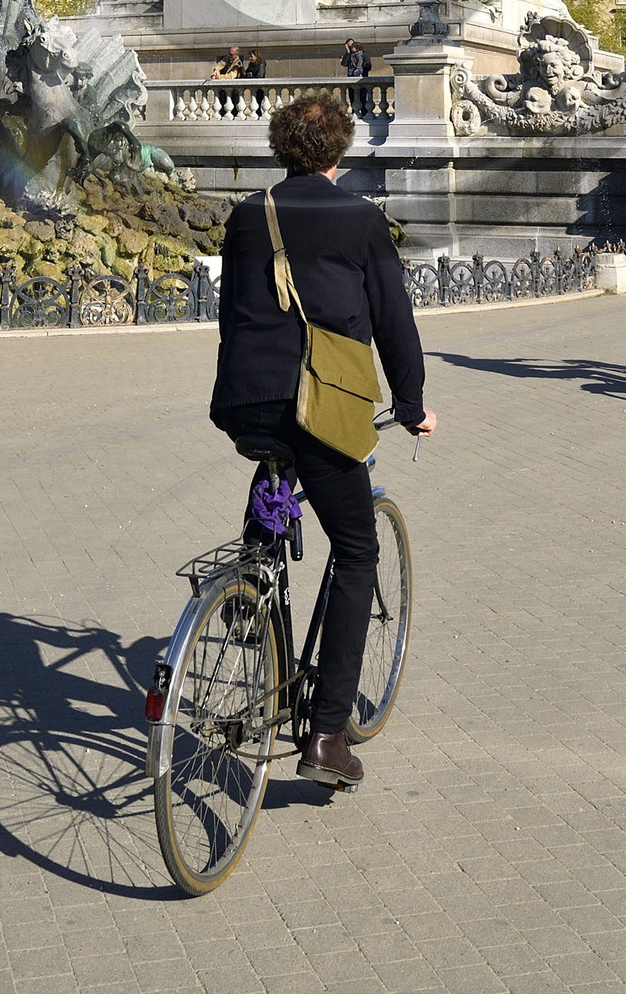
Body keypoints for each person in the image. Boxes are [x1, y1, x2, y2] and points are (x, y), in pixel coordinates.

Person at [210, 90, 435, 792]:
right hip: (322, 404)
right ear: (341, 150)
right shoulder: (359, 219)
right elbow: (392, 318)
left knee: (275, 461)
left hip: (246, 399)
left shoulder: (249, 215)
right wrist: (413, 403)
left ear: (280, 147)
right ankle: (329, 733)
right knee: (357, 548)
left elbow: (231, 315)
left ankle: (251, 575)